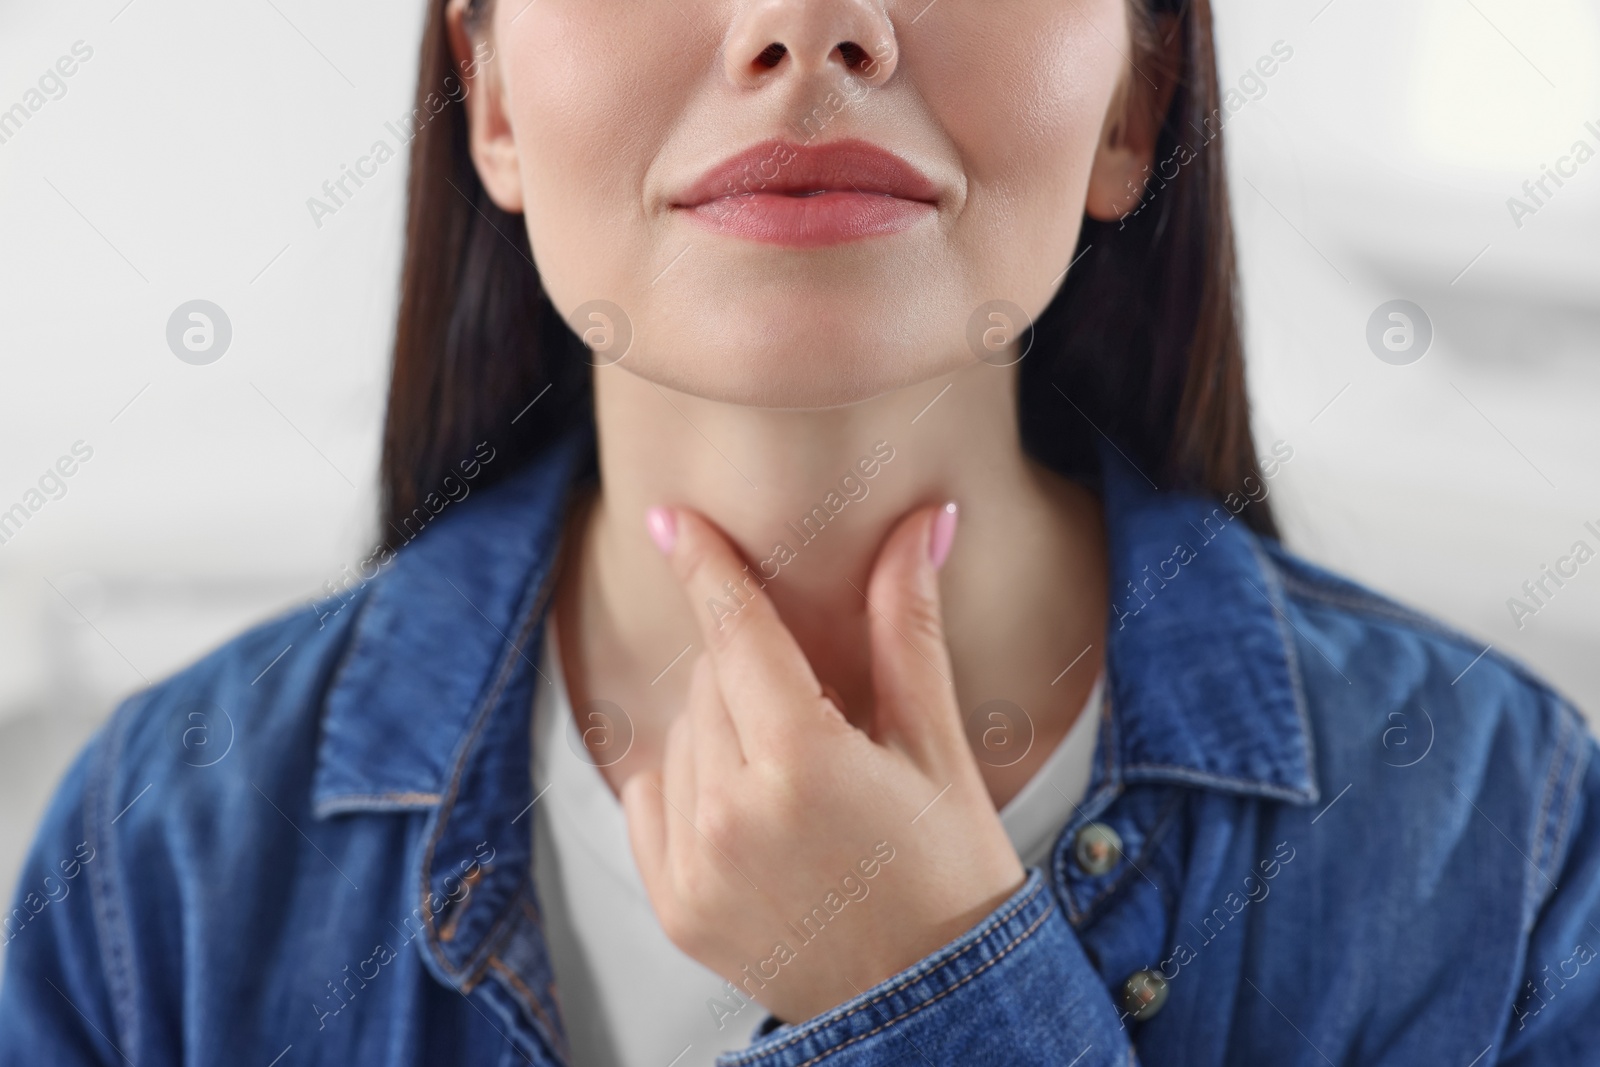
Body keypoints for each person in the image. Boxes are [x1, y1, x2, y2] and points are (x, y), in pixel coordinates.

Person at [4, 0, 1598, 1063]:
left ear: (1138, 95)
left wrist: (931, 993)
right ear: (486, 89)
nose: (806, 23)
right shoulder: (159, 869)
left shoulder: (1501, 847)